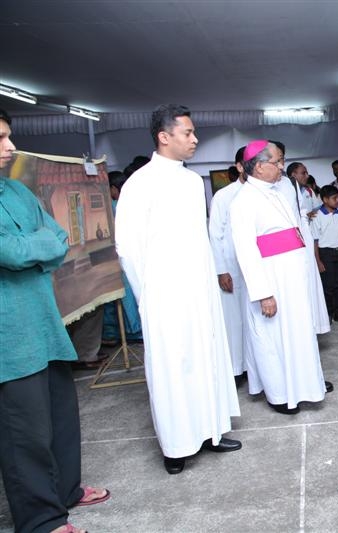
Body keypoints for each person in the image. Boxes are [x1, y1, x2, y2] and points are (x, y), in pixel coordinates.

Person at [115, 104, 241, 475]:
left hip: (199, 290)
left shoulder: (191, 181)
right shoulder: (140, 184)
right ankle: (176, 446)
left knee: (206, 358)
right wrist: (147, 297)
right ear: (164, 137)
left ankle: (211, 432)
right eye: (187, 133)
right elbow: (128, 248)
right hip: (163, 294)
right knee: (173, 368)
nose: (195, 139)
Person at [0, 109, 109, 533]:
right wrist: (32, 247)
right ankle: (41, 520)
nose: (10, 147)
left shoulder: (16, 190)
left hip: (44, 322)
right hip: (9, 336)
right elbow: (10, 253)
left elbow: (59, 239)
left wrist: (29, 247)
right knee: (23, 433)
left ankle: (66, 491)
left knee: (61, 417)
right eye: (1, 138)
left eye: (9, 136)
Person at [229, 140, 329, 415]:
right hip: (272, 283)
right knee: (273, 340)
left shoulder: (277, 192)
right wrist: (264, 294)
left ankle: (304, 386)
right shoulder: (244, 200)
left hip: (291, 281)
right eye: (277, 162)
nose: (282, 167)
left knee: (297, 335)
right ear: (260, 166)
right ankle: (280, 395)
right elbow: (246, 251)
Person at [208, 145, 250, 387]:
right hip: (231, 268)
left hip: (257, 267)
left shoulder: (263, 194)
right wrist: (221, 270)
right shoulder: (223, 196)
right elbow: (215, 235)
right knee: (234, 320)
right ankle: (236, 369)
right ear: (240, 167)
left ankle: (255, 367)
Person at [286, 161, 330, 335]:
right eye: (302, 173)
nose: (306, 175)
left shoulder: (307, 191)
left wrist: (308, 214)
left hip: (311, 236)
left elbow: (314, 209)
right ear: (293, 175)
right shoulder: (287, 190)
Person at [102, 170, 143, 345]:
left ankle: (126, 331)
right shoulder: (134, 203)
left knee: (122, 297)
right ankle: (137, 329)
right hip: (137, 255)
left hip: (119, 256)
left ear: (113, 188)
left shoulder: (111, 206)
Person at [312, 185, 338, 324]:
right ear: (325, 199)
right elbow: (315, 241)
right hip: (326, 254)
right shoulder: (317, 216)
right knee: (328, 286)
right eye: (334, 198)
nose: (337, 200)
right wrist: (318, 261)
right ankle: (328, 315)